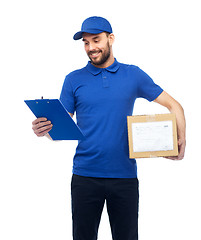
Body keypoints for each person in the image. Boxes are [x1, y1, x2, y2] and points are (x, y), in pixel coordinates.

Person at [32, 16, 186, 240]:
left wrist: (181, 141)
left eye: (96, 40)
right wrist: (44, 130)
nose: (91, 48)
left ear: (110, 39)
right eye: (86, 42)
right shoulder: (73, 79)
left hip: (124, 177)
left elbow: (174, 105)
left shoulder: (133, 74)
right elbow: (60, 129)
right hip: (84, 177)